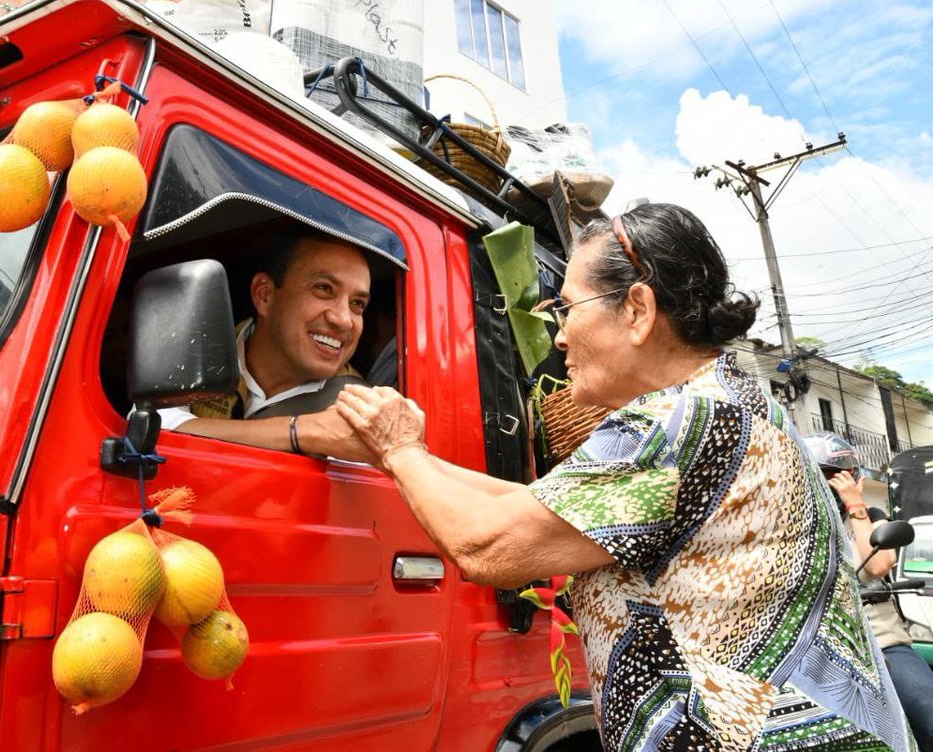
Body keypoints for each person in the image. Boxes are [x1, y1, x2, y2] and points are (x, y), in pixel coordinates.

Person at [338, 203, 915, 750]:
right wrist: (409, 455)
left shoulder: (676, 422)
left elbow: (488, 547)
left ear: (637, 309)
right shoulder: (729, 402)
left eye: (567, 308)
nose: (559, 335)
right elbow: (538, 507)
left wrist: (401, 450)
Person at [158, 227, 375, 460]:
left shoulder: (361, 410)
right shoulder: (197, 352)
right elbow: (152, 426)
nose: (343, 320)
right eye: (324, 289)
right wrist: (303, 431)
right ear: (264, 294)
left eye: (357, 304)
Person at [804, 432, 933, 750]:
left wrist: (856, 505)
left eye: (833, 476)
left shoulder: (869, 517)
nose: (825, 484)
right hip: (819, 646)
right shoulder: (797, 526)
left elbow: (878, 566)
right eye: (816, 475)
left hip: (880, 641)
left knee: (927, 709)